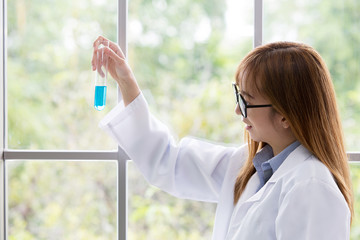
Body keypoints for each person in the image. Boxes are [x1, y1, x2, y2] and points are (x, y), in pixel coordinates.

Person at [91, 36, 353, 239]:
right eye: (238, 96)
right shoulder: (249, 167)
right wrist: (126, 83)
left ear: (285, 116)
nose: (238, 110)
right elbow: (170, 161)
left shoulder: (312, 187)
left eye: (246, 100)